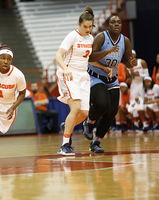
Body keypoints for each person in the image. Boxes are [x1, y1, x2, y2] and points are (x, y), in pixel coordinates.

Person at [83, 14, 136, 153]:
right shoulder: (101, 37)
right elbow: (91, 56)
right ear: (107, 25)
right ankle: (89, 122)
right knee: (102, 104)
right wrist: (107, 51)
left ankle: (96, 143)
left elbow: (127, 62)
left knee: (112, 112)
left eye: (119, 22)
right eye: (113, 22)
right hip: (95, 76)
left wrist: (131, 64)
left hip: (112, 78)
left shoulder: (125, 41)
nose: (117, 24)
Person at [55, 6, 95, 155]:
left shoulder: (91, 38)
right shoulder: (72, 35)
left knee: (85, 112)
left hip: (83, 76)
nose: (88, 29)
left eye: (90, 26)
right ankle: (64, 145)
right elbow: (58, 56)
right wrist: (65, 69)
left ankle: (67, 126)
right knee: (76, 107)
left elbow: (89, 58)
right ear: (79, 24)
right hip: (69, 74)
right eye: (85, 26)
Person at [126, 50, 150, 131]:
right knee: (133, 103)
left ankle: (145, 123)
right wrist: (131, 77)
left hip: (141, 84)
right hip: (133, 85)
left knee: (141, 103)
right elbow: (129, 78)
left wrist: (139, 75)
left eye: (132, 55)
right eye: (129, 55)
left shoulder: (141, 62)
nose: (131, 56)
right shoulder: (128, 65)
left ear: (135, 55)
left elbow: (147, 75)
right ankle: (135, 124)